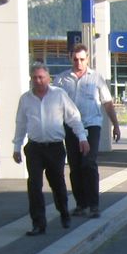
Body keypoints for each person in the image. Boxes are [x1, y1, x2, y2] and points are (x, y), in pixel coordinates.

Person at [12, 62, 89, 236]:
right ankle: (38, 223)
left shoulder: (59, 95)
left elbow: (73, 117)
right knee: (34, 185)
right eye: (35, 78)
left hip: (54, 148)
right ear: (31, 79)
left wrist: (82, 138)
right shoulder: (25, 99)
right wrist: (17, 146)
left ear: (48, 78)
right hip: (34, 148)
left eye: (41, 77)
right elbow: (21, 124)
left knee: (58, 184)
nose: (38, 81)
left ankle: (63, 212)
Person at [54, 43, 121, 219]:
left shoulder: (96, 78)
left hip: (91, 125)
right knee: (75, 166)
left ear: (87, 59)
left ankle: (94, 205)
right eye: (75, 59)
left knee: (88, 163)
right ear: (70, 58)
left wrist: (116, 124)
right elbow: (54, 105)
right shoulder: (61, 80)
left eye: (82, 59)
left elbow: (107, 103)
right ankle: (81, 204)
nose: (79, 63)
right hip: (71, 127)